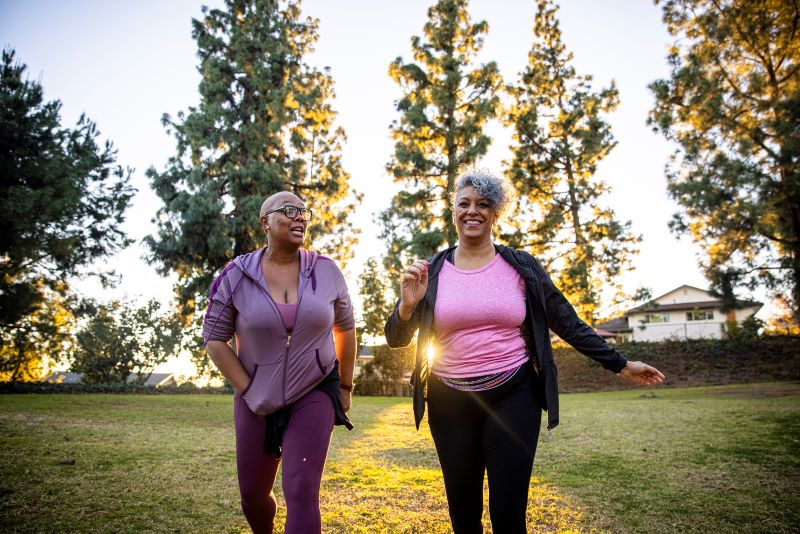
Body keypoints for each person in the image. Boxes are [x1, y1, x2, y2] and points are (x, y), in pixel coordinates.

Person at [384, 169, 665, 533]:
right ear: (453, 210)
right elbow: (395, 338)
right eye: (464, 203)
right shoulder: (432, 271)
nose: (473, 211)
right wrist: (407, 307)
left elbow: (566, 320)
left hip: (513, 396)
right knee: (464, 514)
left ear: (496, 214)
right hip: (449, 401)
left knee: (509, 513)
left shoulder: (520, 267)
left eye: (483, 204)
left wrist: (621, 364)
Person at [202, 191, 357, 534]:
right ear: (265, 221)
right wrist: (249, 391)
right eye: (289, 211)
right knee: (253, 495)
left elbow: (345, 328)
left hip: (314, 388)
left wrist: (345, 386)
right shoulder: (236, 275)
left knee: (302, 491)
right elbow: (214, 338)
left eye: (304, 212)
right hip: (257, 396)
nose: (300, 217)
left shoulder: (327, 271)